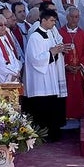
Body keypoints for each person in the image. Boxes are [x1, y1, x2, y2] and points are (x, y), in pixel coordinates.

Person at [23, 10, 68, 140]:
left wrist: (59, 50)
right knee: (42, 106)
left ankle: (52, 133)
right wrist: (52, 52)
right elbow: (34, 59)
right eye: (52, 20)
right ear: (43, 20)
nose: (54, 23)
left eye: (55, 20)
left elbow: (52, 52)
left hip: (50, 75)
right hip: (40, 80)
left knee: (51, 105)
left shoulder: (50, 34)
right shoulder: (35, 37)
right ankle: (42, 135)